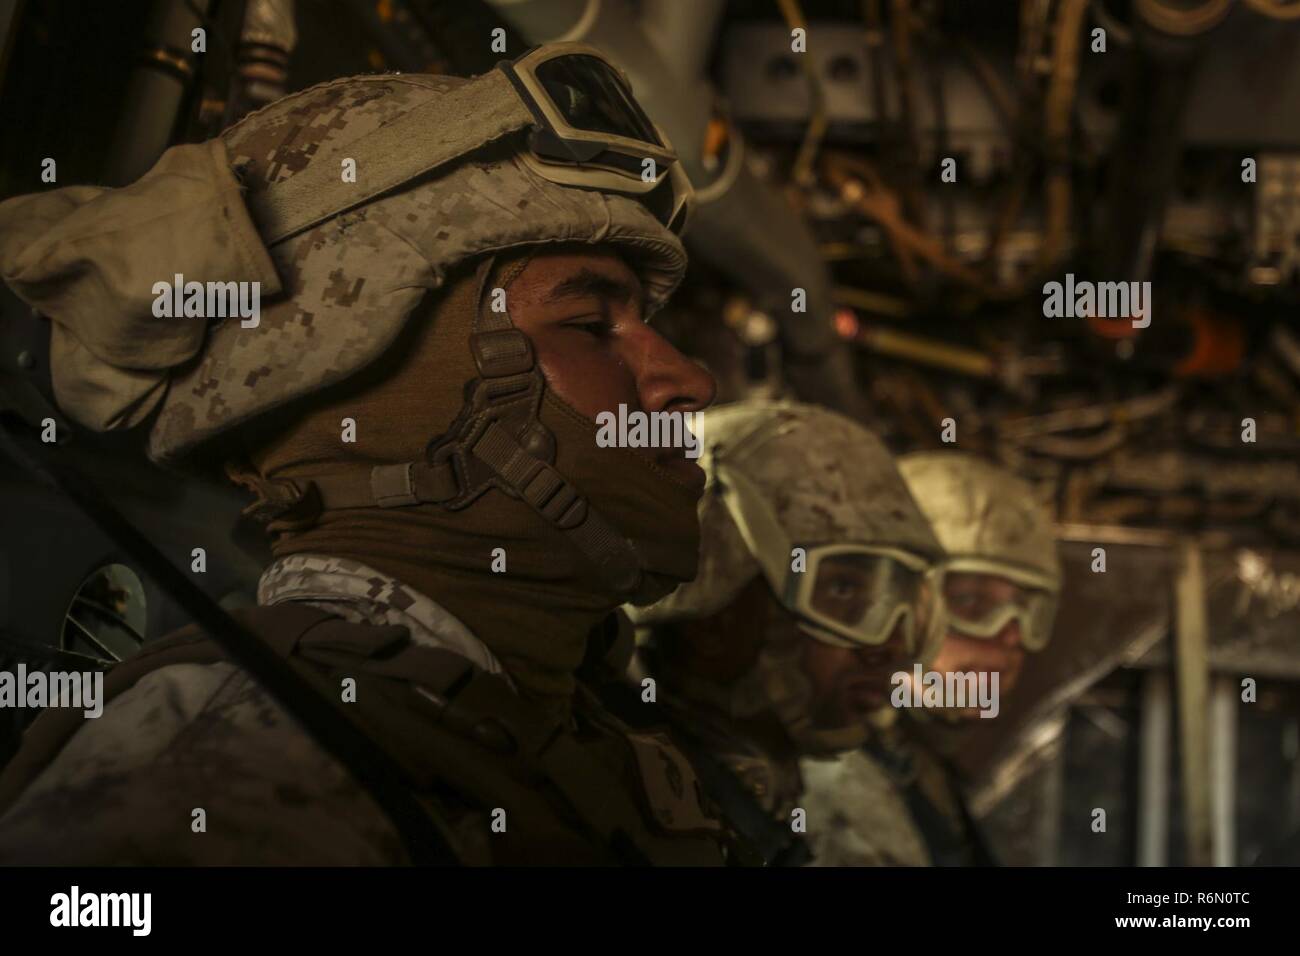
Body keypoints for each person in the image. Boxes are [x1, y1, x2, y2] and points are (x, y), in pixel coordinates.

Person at [0, 44, 738, 865]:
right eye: (590, 326)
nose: (690, 379)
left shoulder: (564, 728)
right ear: (376, 388)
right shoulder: (220, 779)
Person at [624, 400, 946, 865]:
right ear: (714, 612)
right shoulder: (621, 796)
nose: (889, 646)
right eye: (841, 589)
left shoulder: (746, 794)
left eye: (901, 604)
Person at [801, 451, 1062, 866]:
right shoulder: (820, 786)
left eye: (1028, 610)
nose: (1011, 636)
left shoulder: (913, 762)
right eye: (970, 602)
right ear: (882, 600)